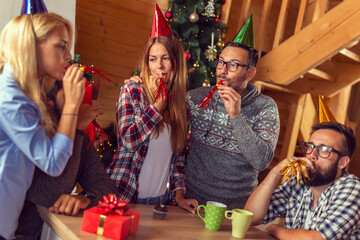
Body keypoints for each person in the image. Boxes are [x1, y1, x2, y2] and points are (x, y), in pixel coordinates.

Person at [125, 15, 280, 210]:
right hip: (190, 204)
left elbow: (261, 161)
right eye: (221, 62)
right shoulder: (194, 98)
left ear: (250, 73)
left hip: (233, 210)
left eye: (233, 65)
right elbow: (165, 113)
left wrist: (236, 117)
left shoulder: (265, 107)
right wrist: (139, 81)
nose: (222, 70)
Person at [0, 13, 85, 239]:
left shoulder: (23, 95)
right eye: (61, 46)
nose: (69, 56)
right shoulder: (11, 100)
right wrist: (72, 107)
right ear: (31, 47)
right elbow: (52, 162)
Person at [106, 4, 198, 213]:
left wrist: (180, 197)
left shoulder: (181, 107)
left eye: (165, 58)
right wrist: (156, 107)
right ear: (146, 63)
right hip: (124, 195)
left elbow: (178, 161)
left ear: (175, 63)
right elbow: (128, 139)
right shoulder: (132, 90)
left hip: (158, 202)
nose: (159, 67)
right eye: (153, 59)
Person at [15, 80, 117, 239]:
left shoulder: (81, 141)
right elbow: (48, 195)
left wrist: (86, 197)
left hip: (50, 233)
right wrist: (75, 129)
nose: (78, 100)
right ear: (49, 103)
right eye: (70, 95)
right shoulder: (33, 130)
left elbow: (107, 186)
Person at [244, 122, 360, 240]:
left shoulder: (353, 188)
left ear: (343, 162)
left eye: (324, 149)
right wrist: (275, 172)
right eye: (310, 146)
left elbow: (316, 239)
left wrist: (274, 229)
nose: (312, 155)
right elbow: (250, 217)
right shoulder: (299, 182)